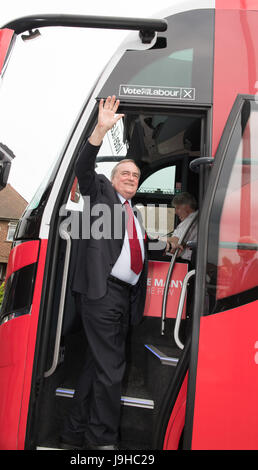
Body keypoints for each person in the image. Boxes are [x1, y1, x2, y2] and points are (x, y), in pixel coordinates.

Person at [60, 95, 165, 450]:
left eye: (136, 175)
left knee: (96, 367)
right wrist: (100, 130)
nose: (131, 178)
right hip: (102, 293)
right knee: (111, 370)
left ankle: (74, 433)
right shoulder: (102, 194)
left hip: (121, 300)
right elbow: (84, 171)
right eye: (125, 173)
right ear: (113, 178)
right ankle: (102, 442)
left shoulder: (134, 215)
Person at [165, 192, 198, 261]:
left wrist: (159, 240)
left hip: (184, 261)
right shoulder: (196, 219)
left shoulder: (190, 221)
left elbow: (176, 241)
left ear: (187, 206)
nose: (175, 212)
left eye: (178, 208)